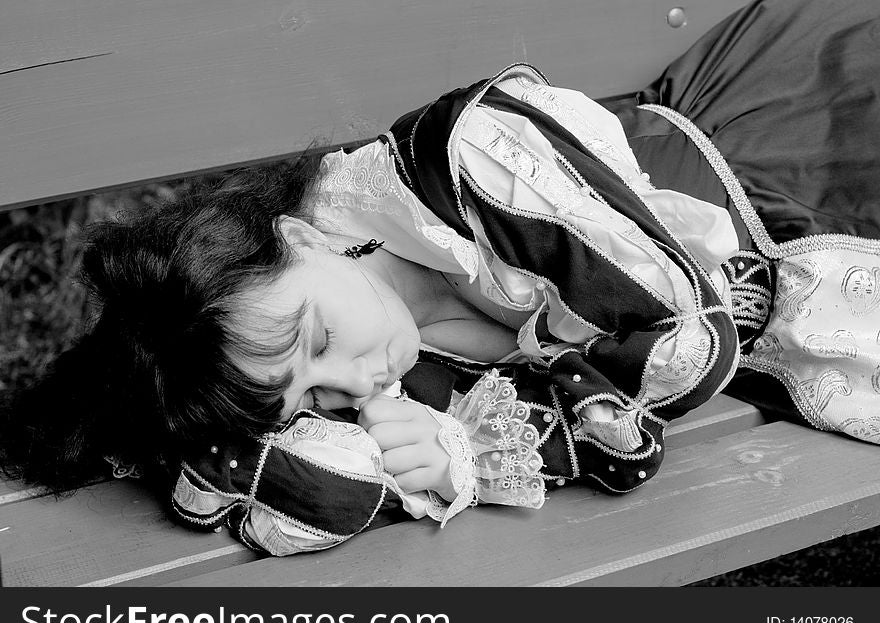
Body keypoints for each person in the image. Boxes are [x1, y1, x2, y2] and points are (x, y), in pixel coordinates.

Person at [3, 0, 878, 556]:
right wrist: (424, 447)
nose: (352, 381)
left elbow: (669, 319)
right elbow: (600, 419)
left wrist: (534, 412)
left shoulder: (454, 174)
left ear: (302, 237)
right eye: (313, 397)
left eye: (317, 340)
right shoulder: (398, 380)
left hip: (780, 140)